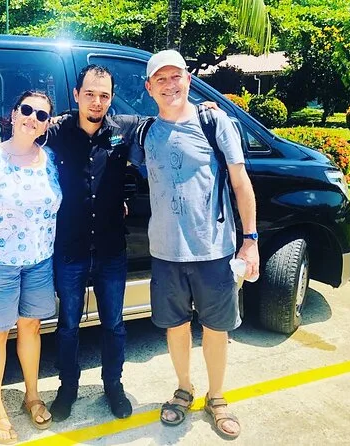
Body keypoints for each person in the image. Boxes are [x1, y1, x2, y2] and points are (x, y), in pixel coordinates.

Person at [0, 65, 144, 422]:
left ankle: (113, 386)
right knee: (68, 325)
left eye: (104, 95)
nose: (96, 102)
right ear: (77, 94)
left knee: (114, 324)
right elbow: (23, 133)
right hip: (69, 250)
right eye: (90, 94)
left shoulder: (123, 129)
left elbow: (165, 119)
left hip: (111, 248)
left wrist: (203, 110)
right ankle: (67, 389)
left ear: (111, 98)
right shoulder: (57, 129)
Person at [131, 50, 260, 439]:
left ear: (188, 80)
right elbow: (95, 138)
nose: (170, 85)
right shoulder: (144, 132)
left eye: (176, 77)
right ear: (149, 87)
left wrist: (250, 240)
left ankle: (216, 397)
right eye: (161, 79)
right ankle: (184, 389)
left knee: (216, 328)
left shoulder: (214, 122)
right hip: (165, 252)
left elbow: (241, 183)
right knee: (175, 326)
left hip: (213, 250)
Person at [0, 91, 62, 444]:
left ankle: (32, 395)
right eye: (27, 110)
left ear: (47, 124)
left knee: (31, 328)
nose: (33, 118)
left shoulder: (50, 159)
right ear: (14, 113)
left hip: (39, 262)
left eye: (42, 115)